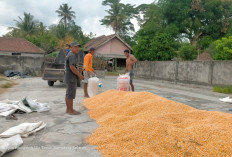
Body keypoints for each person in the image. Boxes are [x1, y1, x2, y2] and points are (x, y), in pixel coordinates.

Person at [65, 42, 84, 115]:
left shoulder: (70, 55)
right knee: (71, 95)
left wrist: (80, 69)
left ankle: (68, 109)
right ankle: (71, 110)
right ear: (71, 47)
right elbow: (72, 67)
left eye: (78, 47)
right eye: (75, 47)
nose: (77, 49)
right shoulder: (72, 55)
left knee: (68, 94)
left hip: (69, 77)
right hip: (72, 78)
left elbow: (73, 66)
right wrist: (80, 75)